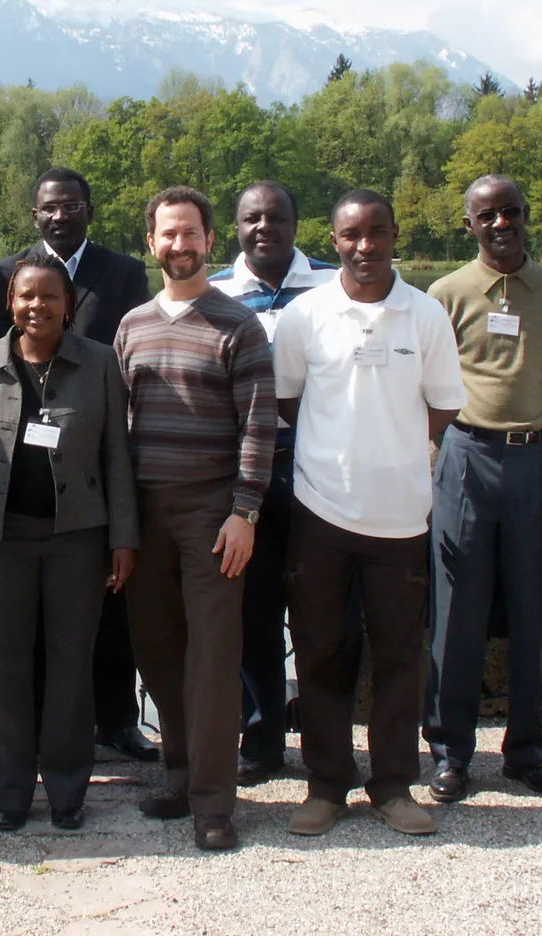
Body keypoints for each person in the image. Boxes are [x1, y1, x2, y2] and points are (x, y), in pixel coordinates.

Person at [0, 252, 140, 831]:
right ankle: (9, 793)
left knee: (71, 666)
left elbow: (118, 454)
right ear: (10, 303)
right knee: (10, 669)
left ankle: (68, 792)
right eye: (26, 296)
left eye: (49, 296)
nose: (37, 306)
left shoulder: (99, 365)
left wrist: (124, 537)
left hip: (79, 540)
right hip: (2, 541)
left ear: (69, 305)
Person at [275, 189, 465, 838]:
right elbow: (289, 400)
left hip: (402, 518)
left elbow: (444, 405)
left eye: (376, 233)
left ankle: (391, 786)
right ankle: (326, 785)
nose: (364, 246)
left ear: (392, 236)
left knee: (399, 658)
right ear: (334, 241)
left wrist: (396, 453)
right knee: (322, 653)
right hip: (320, 512)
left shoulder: (426, 315)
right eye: (352, 235)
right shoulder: (305, 315)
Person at [113, 186, 277, 852]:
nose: (179, 245)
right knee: (157, 650)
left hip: (213, 513)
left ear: (211, 240)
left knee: (212, 660)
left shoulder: (239, 325)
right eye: (167, 235)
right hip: (146, 513)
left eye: (191, 234)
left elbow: (260, 425)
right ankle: (178, 777)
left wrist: (245, 511)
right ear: (150, 243)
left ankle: (214, 803)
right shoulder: (131, 326)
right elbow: (118, 430)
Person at [0, 167, 157, 763]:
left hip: (94, 448)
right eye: (50, 207)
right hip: (23, 460)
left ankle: (118, 719)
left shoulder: (125, 272)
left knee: (108, 604)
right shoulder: (6, 274)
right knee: (30, 623)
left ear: (89, 210)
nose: (61, 216)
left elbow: (129, 360)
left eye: (72, 205)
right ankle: (32, 731)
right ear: (35, 215)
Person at [422, 177, 542, 804]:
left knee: (533, 607)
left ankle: (526, 750)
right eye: (487, 215)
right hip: (465, 455)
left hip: (538, 459)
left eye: (510, 212)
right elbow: (425, 387)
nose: (500, 223)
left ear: (524, 215)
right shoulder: (445, 294)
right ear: (469, 224)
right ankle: (450, 752)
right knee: (455, 612)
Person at [207, 181, 337, 784]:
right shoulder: (212, 293)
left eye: (276, 217)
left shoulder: (337, 284)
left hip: (323, 472)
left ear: (296, 221)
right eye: (251, 218)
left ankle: (326, 745)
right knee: (253, 613)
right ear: (234, 227)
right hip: (248, 477)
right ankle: (259, 743)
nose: (265, 228)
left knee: (325, 613)